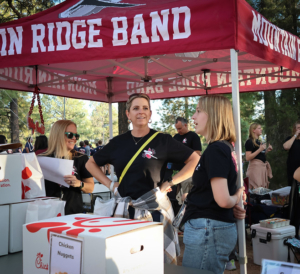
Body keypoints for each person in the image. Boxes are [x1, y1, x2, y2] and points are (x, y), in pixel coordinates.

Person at [86, 93, 200, 264]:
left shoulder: (163, 140)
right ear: (128, 114)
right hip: (124, 212)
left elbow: (195, 159)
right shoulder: (118, 142)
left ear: (150, 113)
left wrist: (170, 182)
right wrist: (110, 185)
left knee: (155, 263)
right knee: (127, 262)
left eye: (145, 108)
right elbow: (90, 164)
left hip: (155, 212)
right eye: (136, 108)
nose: (141, 112)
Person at [181, 95, 245, 274]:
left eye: (199, 111)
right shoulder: (223, 148)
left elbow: (223, 200)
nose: (193, 116)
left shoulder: (216, 150)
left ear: (214, 115)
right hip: (209, 228)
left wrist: (236, 197)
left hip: (207, 229)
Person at [40, 120, 94, 215]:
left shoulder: (81, 158)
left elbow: (91, 187)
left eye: (76, 136)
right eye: (70, 135)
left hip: (73, 214)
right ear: (58, 135)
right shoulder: (41, 159)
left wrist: (78, 183)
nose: (74, 138)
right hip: (47, 213)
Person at [166, 117, 202, 215]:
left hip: (188, 172)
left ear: (186, 125)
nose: (178, 131)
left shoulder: (193, 136)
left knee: (186, 196)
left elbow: (198, 153)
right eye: (177, 129)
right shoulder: (176, 137)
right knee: (173, 197)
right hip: (174, 171)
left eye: (180, 128)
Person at [245, 123, 273, 189]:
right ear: (253, 130)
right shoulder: (250, 141)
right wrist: (260, 149)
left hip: (261, 168)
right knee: (256, 189)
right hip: (255, 169)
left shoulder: (258, 142)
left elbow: (258, 156)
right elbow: (248, 157)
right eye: (259, 128)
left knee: (262, 189)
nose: (261, 129)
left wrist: (266, 151)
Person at [283, 120, 300, 186]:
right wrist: (295, 135)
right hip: (293, 169)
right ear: (295, 129)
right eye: (298, 128)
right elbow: (286, 147)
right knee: (293, 188)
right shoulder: (290, 138)